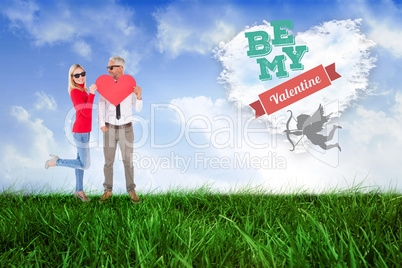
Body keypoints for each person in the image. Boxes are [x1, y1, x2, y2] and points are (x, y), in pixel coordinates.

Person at [45, 64, 97, 202]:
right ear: (72, 78)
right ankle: (56, 162)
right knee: (85, 164)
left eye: (82, 74)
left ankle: (79, 191)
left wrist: (89, 92)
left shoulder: (82, 90)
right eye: (77, 75)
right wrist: (92, 94)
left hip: (85, 132)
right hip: (80, 132)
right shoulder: (75, 92)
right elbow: (85, 112)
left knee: (79, 163)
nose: (80, 77)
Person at [98, 56, 143, 203]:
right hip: (109, 129)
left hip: (126, 129)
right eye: (108, 68)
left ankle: (131, 190)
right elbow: (100, 106)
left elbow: (137, 108)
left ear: (120, 68)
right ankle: (107, 190)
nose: (109, 70)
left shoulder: (131, 87)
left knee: (128, 161)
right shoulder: (105, 86)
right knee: (108, 161)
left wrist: (139, 96)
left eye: (111, 67)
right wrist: (101, 124)